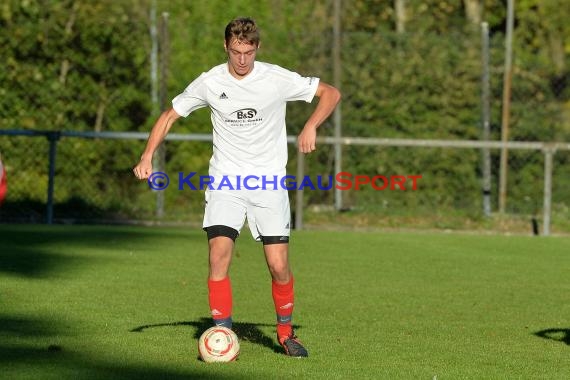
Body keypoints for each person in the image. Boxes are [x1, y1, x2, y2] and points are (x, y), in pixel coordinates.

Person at [133, 17, 340, 357]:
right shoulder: (210, 81)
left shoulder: (275, 78)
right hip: (225, 180)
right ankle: (223, 334)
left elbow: (330, 93)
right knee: (218, 255)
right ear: (225, 47)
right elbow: (170, 115)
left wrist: (311, 126)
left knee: (278, 265)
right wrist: (147, 155)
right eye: (235, 52)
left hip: (268, 182)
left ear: (257, 47)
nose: (242, 60)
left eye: (248, 52)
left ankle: (286, 334)